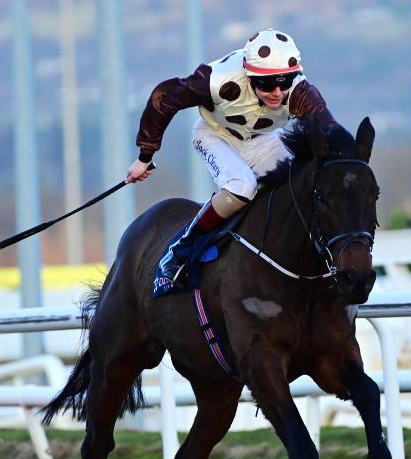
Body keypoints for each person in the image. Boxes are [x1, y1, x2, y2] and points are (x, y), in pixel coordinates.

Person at [126, 29, 337, 286]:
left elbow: (330, 130)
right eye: (268, 84)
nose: (278, 92)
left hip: (264, 140)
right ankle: (181, 250)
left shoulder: (301, 91)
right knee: (242, 186)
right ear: (249, 75)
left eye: (285, 82)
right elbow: (164, 98)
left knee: (300, 182)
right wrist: (145, 156)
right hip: (216, 136)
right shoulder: (215, 79)